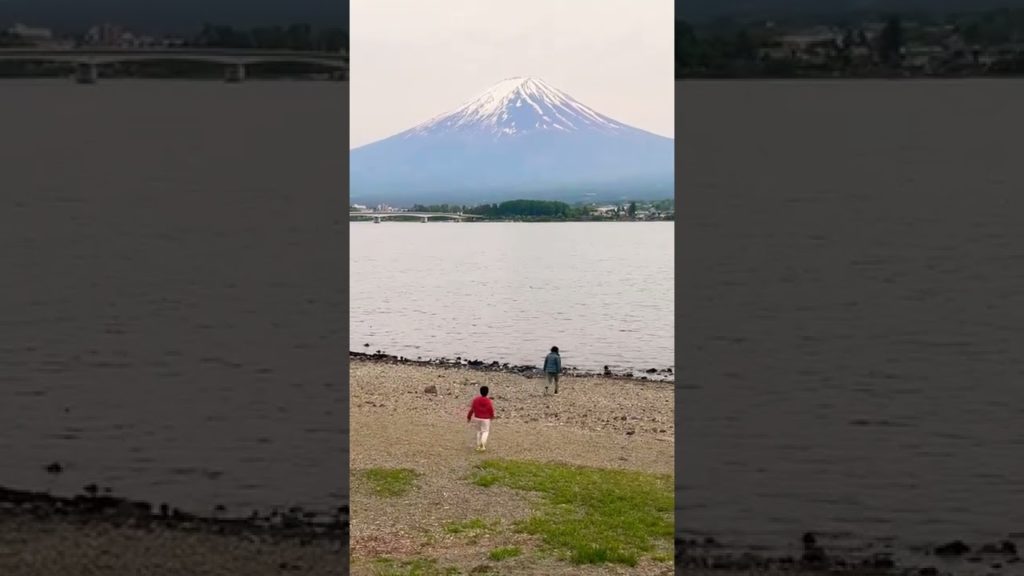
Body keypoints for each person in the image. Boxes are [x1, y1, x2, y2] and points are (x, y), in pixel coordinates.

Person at [466, 385, 494, 452]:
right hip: (486, 418)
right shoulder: (488, 401)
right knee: (485, 431)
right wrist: (492, 416)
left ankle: (478, 446)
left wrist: (469, 417)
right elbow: (491, 409)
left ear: (480, 392)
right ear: (487, 392)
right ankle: (483, 445)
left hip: (477, 417)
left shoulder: (476, 400)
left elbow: (472, 409)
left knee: (478, 431)